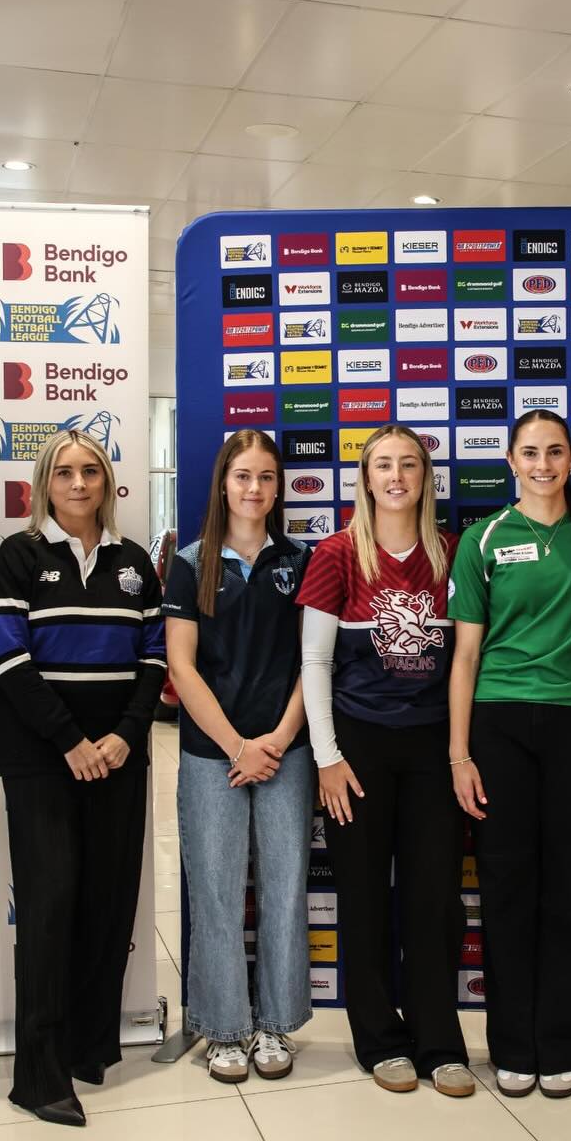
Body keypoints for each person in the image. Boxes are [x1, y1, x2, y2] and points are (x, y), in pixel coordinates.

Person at [0, 428, 165, 1127]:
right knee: (51, 904)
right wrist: (70, 741)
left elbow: (154, 658)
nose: (80, 483)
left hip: (117, 754)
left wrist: (124, 734)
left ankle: (89, 1047)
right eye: (65, 472)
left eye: (91, 470)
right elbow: (9, 659)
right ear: (45, 484)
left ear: (108, 482)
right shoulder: (18, 555)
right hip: (43, 757)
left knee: (107, 901)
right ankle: (38, 1075)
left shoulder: (133, 563)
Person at [449, 408, 571, 1100]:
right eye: (530, 452)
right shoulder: (484, 538)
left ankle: (563, 1044)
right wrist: (459, 753)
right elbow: (466, 657)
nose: (543, 464)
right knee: (506, 886)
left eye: (555, 452)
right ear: (511, 461)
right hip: (499, 724)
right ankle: (512, 1047)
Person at [295, 424, 472, 1098]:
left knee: (434, 900)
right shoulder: (337, 555)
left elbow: (465, 658)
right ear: (365, 479)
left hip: (432, 749)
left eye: (408, 465)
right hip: (357, 748)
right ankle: (379, 1041)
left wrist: (458, 753)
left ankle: (440, 1043)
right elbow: (314, 661)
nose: (396, 476)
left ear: (425, 477)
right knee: (364, 897)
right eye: (383, 466)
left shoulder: (452, 553)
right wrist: (327, 758)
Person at [163, 430, 313, 1085]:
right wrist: (237, 747)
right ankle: (224, 1028)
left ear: (278, 489)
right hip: (211, 755)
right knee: (217, 894)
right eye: (243, 476)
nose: (255, 488)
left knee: (285, 890)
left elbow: (314, 661)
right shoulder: (190, 562)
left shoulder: (301, 560)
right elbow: (181, 667)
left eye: (266, 478)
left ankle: (275, 1022)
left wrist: (275, 741)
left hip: (286, 751)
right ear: (223, 483)